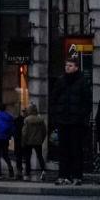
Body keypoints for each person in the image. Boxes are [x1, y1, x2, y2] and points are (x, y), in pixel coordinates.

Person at [49, 57, 92, 186]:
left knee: (76, 150)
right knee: (63, 150)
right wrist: (56, 115)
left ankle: (77, 176)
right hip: (63, 121)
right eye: (66, 65)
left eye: (70, 65)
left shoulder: (82, 82)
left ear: (76, 67)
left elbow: (87, 103)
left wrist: (81, 117)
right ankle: (63, 175)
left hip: (76, 122)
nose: (67, 67)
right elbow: (54, 99)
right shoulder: (61, 81)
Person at [21, 103, 46, 181]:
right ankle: (43, 170)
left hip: (28, 141)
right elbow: (44, 131)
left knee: (28, 157)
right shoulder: (41, 119)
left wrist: (23, 141)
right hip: (38, 141)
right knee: (40, 156)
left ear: (30, 110)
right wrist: (41, 139)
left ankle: (27, 172)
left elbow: (24, 132)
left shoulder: (27, 119)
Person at [12, 106, 26, 180]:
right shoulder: (25, 120)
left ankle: (19, 168)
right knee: (22, 155)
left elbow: (13, 130)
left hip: (18, 140)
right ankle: (21, 169)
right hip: (22, 140)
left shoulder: (16, 120)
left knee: (18, 155)